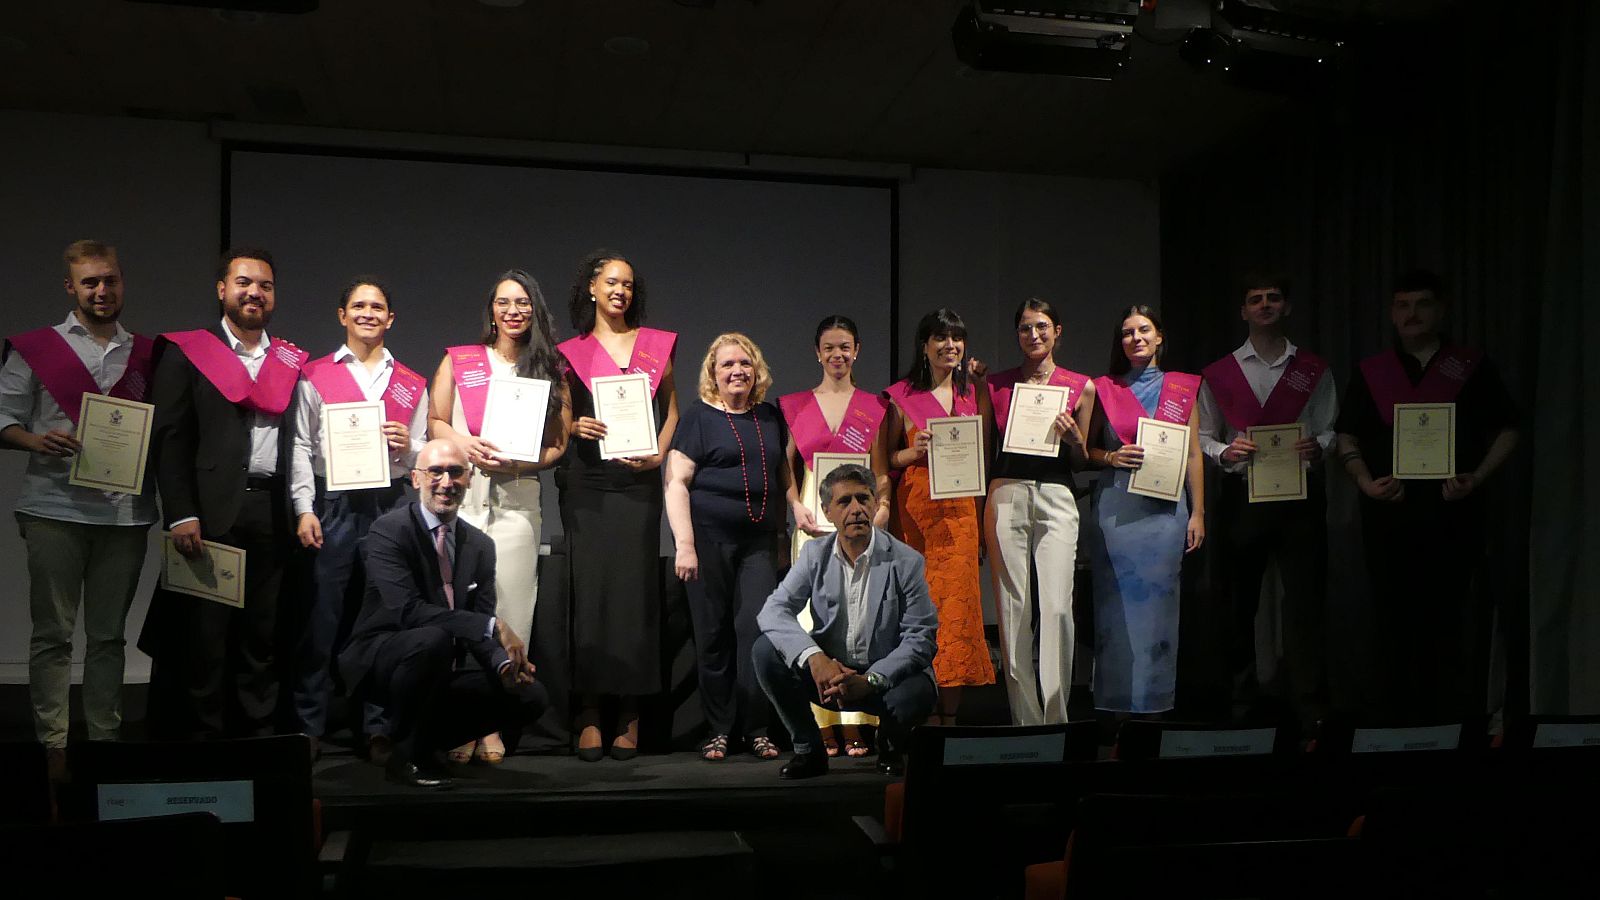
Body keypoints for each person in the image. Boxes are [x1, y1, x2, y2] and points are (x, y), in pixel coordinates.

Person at [0, 240, 157, 777]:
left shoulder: (148, 354)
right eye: (90, 282)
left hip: (124, 514)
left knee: (109, 637)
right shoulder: (37, 349)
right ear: (71, 287)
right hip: (53, 509)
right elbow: (3, 417)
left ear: (121, 282)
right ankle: (55, 746)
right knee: (53, 635)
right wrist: (35, 440)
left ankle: (105, 741)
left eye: (110, 279)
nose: (101, 290)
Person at [138, 247, 309, 740]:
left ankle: (258, 743)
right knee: (204, 639)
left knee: (263, 637)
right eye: (243, 283)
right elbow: (170, 439)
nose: (254, 293)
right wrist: (180, 513)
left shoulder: (288, 360)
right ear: (222, 290)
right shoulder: (190, 351)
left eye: (265, 286)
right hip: (211, 514)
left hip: (272, 511)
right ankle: (205, 747)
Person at [1335, 269, 1518, 721]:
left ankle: (1449, 727)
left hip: (1453, 516)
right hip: (1388, 516)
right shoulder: (1372, 371)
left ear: (1441, 310)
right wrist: (1364, 482)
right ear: (1392, 314)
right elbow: (1345, 435)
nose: (1412, 314)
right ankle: (1394, 728)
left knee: (1449, 623)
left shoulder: (1470, 367)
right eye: (1403, 305)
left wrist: (1477, 477)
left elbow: (1510, 428)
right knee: (1390, 622)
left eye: (1422, 304)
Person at [338, 439, 547, 789]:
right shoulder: (389, 530)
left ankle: (422, 746)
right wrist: (493, 625)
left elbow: (479, 630)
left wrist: (504, 665)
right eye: (435, 472)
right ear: (416, 479)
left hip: (443, 664)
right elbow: (408, 612)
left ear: (469, 479)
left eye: (455, 472)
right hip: (384, 659)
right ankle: (406, 758)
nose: (446, 482)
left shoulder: (480, 545)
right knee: (431, 639)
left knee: (531, 696)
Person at [428, 269, 570, 763]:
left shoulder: (549, 367)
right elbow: (436, 419)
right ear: (491, 310)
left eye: (523, 302)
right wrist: (463, 443)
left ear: (535, 310)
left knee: (511, 612)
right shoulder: (461, 360)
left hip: (516, 502)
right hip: (462, 502)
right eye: (504, 302)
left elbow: (558, 444)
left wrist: (519, 463)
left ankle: (490, 722)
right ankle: (460, 722)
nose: (514, 311)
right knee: (460, 611)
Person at [287, 277, 428, 761]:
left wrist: (409, 446)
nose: (368, 313)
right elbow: (301, 446)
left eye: (378, 307)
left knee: (383, 619)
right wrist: (304, 508)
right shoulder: (314, 375)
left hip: (390, 503)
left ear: (390, 319)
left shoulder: (410, 382)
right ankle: (309, 724)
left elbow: (422, 453)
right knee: (321, 619)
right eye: (359, 306)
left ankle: (378, 725)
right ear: (342, 315)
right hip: (335, 503)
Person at [1197, 274, 1336, 732]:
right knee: (1239, 605)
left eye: (1273, 298)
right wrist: (1225, 452)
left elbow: (1329, 427)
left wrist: (1320, 446)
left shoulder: (1312, 369)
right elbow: (1204, 436)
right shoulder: (1220, 374)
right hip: (1243, 497)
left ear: (1286, 307)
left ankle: (1309, 706)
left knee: (1305, 605)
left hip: (1300, 496)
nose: (1264, 305)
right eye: (1255, 299)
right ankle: (1241, 703)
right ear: (1243, 311)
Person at [556, 250, 678, 761]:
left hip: (636, 483)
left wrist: (660, 454)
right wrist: (574, 426)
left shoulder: (654, 346)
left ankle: (630, 709)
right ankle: (588, 709)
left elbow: (672, 411)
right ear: (591, 287)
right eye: (611, 282)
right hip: (587, 481)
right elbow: (562, 417)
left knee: (634, 594)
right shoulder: (571, 352)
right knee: (591, 594)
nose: (619, 291)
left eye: (627, 284)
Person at [754, 463, 938, 779]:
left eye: (863, 499)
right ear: (827, 512)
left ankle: (891, 744)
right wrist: (816, 659)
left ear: (875, 504)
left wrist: (871, 680)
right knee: (766, 651)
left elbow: (921, 638)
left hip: (883, 679)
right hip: (830, 677)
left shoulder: (906, 561)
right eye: (844, 502)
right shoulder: (814, 555)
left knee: (919, 689)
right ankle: (808, 751)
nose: (856, 510)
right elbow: (773, 611)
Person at [664, 333, 800, 762]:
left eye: (745, 363)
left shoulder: (770, 417)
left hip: (758, 543)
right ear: (713, 373)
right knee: (713, 635)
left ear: (756, 370)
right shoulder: (698, 418)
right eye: (727, 364)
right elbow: (676, 482)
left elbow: (782, 475)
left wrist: (792, 517)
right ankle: (719, 729)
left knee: (756, 631)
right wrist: (685, 545)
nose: (737, 370)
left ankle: (757, 728)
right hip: (707, 542)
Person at [777, 314, 892, 757]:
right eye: (829, 347)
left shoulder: (873, 406)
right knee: (814, 622)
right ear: (817, 353)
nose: (837, 354)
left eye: (845, 346)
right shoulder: (798, 405)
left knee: (857, 621)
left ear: (856, 351)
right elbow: (786, 463)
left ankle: (856, 720)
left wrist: (881, 510)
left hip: (860, 524)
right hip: (815, 523)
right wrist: (795, 504)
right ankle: (822, 720)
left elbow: (880, 471)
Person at [1085, 305, 1205, 716]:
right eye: (1127, 333)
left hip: (1166, 514)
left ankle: (1154, 706)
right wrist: (1110, 457)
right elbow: (1085, 451)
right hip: (1117, 512)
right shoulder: (1103, 388)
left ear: (1159, 337)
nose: (1135, 338)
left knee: (1159, 613)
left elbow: (1193, 454)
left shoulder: (1181, 388)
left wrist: (1199, 513)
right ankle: (1114, 708)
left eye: (1143, 330)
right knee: (1114, 611)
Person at [983, 298, 1096, 726]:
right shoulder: (996, 385)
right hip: (1007, 491)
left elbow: (1081, 460)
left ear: (1057, 331)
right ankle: (1025, 722)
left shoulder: (1080, 386)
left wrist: (1075, 440)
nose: (1034, 335)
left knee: (1058, 608)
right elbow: (986, 451)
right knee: (1014, 610)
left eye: (1042, 326)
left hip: (1057, 495)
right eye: (1025, 328)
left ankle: (1056, 720)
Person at [884, 308, 995, 724]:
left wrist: (980, 524)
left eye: (957, 338)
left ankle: (950, 717)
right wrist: (912, 452)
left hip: (961, 516)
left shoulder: (973, 393)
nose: (951, 346)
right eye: (941, 338)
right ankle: (923, 714)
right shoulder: (900, 396)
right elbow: (886, 459)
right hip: (916, 516)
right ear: (925, 345)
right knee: (918, 611)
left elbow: (983, 462)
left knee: (956, 615)